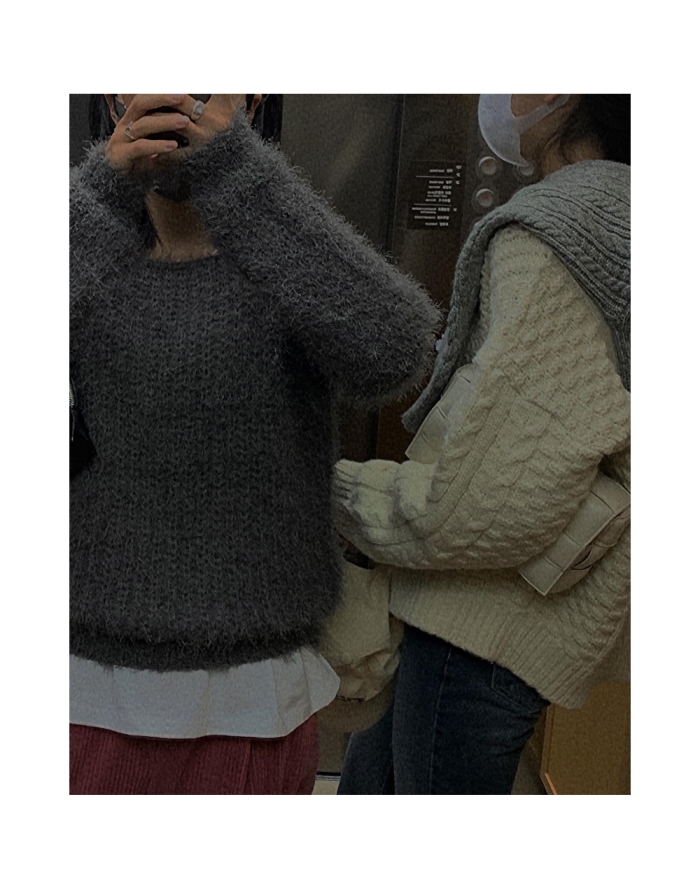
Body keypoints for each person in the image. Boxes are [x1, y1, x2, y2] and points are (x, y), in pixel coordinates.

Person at [69, 93, 440, 794]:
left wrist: (240, 170)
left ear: (254, 92)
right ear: (112, 94)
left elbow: (395, 351)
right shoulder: (81, 243)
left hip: (257, 694)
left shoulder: (285, 250)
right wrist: (99, 191)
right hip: (79, 686)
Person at [333, 94, 631, 794]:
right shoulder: (631, 210)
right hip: (513, 613)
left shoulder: (556, 231)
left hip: (477, 629)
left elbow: (494, 502)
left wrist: (328, 488)